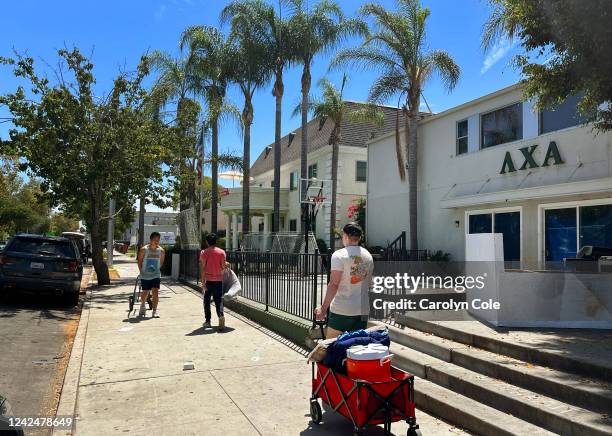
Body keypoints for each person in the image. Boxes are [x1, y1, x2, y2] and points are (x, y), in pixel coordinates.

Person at [314, 222, 373, 339]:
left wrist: (323, 308)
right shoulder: (367, 255)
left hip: (342, 309)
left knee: (332, 345)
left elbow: (334, 284)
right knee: (356, 348)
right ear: (359, 238)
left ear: (345, 236)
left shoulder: (339, 255)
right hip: (362, 309)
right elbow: (367, 282)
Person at [200, 233, 226, 331]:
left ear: (207, 242)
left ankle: (208, 321)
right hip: (219, 281)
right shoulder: (222, 252)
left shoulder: (204, 253)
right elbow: (223, 267)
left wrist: (203, 283)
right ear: (216, 241)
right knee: (218, 301)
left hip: (209, 281)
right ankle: (220, 317)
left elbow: (203, 268)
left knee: (206, 301)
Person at [137, 232, 165, 318]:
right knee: (145, 292)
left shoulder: (161, 251)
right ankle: (142, 306)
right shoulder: (143, 250)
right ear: (150, 240)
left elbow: (161, 262)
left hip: (155, 274)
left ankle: (155, 310)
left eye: (158, 240)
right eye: (155, 239)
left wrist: (156, 270)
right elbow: (139, 261)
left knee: (155, 291)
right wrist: (142, 271)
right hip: (145, 275)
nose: (157, 241)